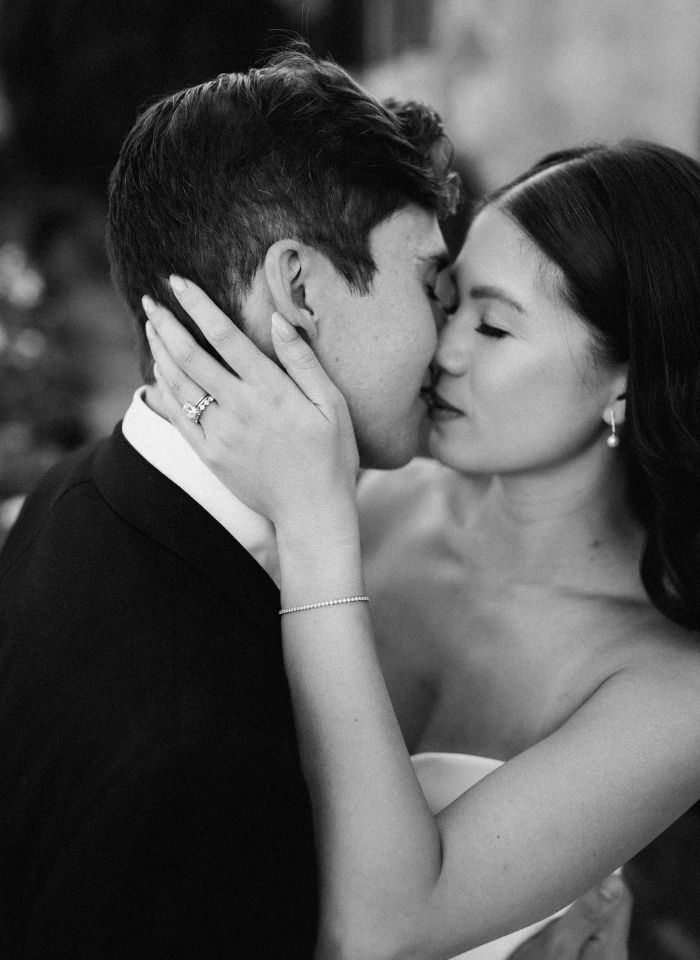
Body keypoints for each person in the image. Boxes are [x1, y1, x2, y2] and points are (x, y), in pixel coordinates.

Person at [0, 45, 629, 960]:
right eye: (430, 286)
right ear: (298, 289)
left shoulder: (76, 497)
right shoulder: (205, 755)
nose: (448, 344)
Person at [143, 138, 700, 960]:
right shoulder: (383, 504)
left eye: (497, 325)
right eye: (447, 298)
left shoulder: (670, 691)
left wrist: (318, 533)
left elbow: (378, 931)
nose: (443, 350)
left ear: (629, 377)